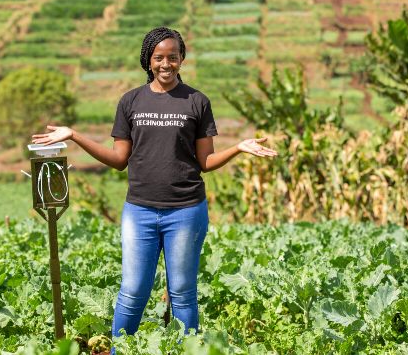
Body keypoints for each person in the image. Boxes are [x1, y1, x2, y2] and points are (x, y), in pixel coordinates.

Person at [31, 27, 277, 351]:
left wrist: (239, 148)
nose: (165, 64)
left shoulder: (197, 102)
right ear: (148, 60)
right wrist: (74, 135)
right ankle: (121, 350)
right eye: (158, 57)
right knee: (132, 290)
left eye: (172, 57)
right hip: (140, 211)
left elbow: (206, 161)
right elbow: (119, 159)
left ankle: (185, 349)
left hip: (187, 211)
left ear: (182, 59)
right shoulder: (130, 101)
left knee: (183, 293)